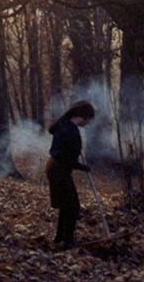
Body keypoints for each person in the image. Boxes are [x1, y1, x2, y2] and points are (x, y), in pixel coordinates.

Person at [47, 100, 95, 249]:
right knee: (73, 205)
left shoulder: (65, 125)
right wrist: (81, 166)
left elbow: (66, 153)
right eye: (89, 119)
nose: (88, 123)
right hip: (58, 168)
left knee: (66, 204)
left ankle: (60, 237)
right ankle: (67, 241)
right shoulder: (70, 129)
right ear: (83, 117)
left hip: (55, 167)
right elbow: (64, 156)